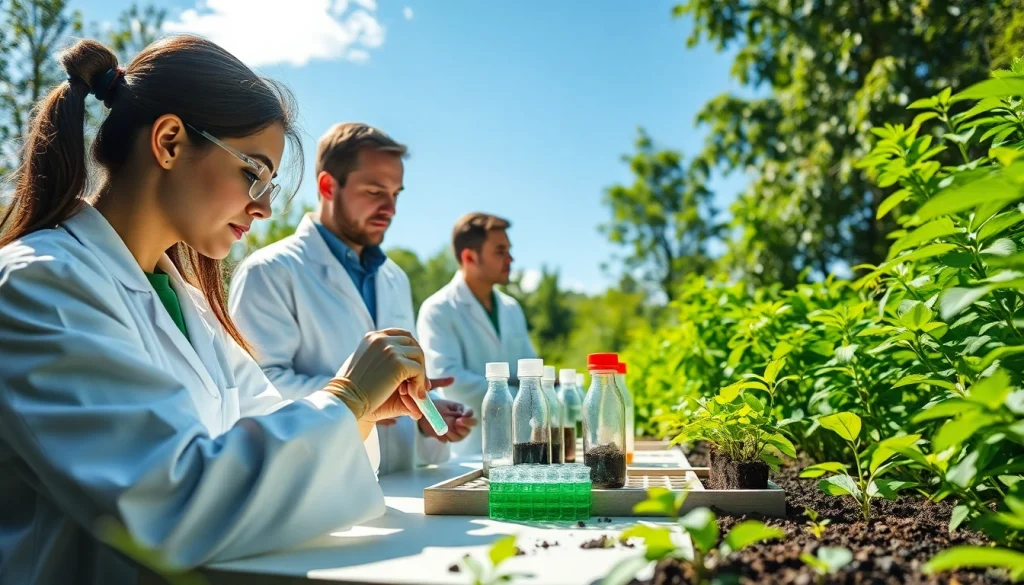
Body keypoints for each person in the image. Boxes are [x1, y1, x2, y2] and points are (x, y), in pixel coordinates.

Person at [0, 37, 429, 585]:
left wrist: (360, 415)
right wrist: (346, 398)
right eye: (253, 173)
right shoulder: (41, 283)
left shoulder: (188, 305)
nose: (265, 206)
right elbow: (167, 503)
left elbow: (265, 428)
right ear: (170, 142)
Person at [229, 123, 475, 474]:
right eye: (375, 191)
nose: (390, 208)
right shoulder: (269, 272)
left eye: (396, 194)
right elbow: (258, 390)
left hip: (400, 483)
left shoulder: (394, 278)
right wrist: (361, 396)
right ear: (328, 186)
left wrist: (427, 414)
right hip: (319, 484)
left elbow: (396, 384)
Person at [417, 213, 537, 456]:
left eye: (509, 250)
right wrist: (523, 396)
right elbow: (452, 383)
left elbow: (531, 371)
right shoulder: (438, 309)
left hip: (522, 446)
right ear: (469, 257)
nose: (510, 259)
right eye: (500, 251)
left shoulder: (511, 308)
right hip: (467, 451)